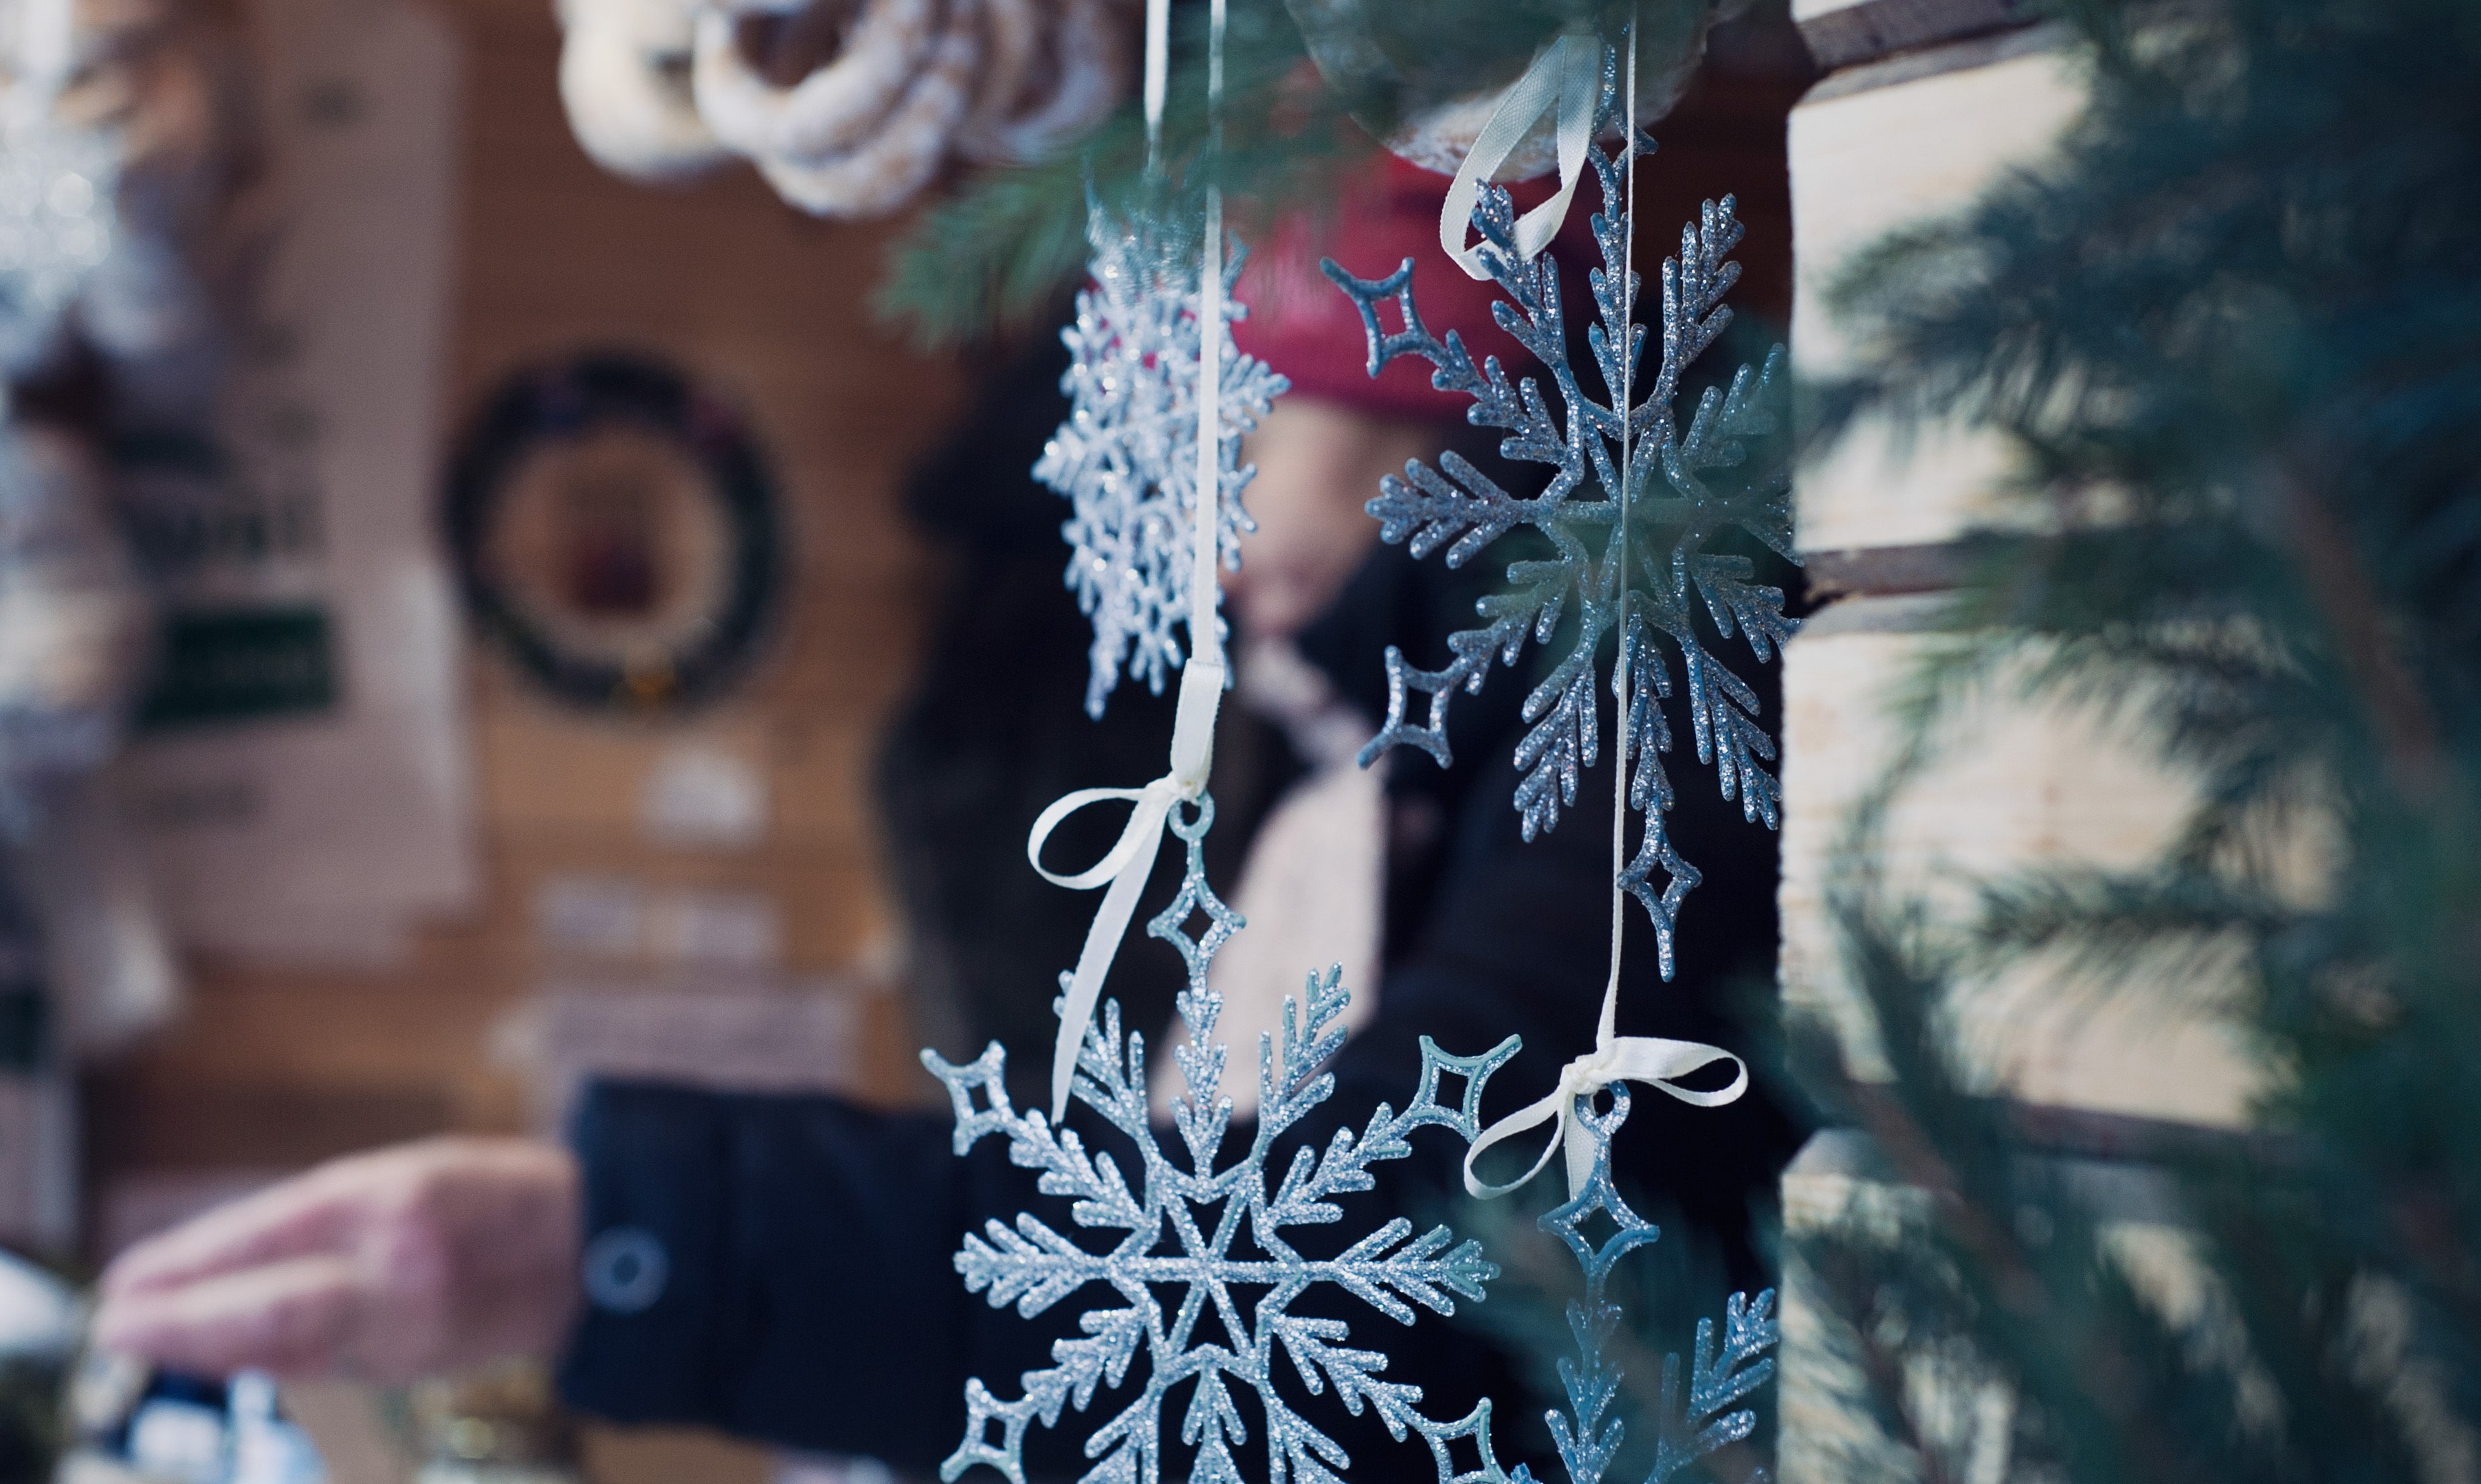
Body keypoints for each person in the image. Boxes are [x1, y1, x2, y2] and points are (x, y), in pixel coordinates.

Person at [92, 159, 1805, 1480]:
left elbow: (1374, 1247)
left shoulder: (1639, 692)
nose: (1210, 561)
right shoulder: (1461, 736)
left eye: (1229, 455)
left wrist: (654, 1244)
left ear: (1412, 387)